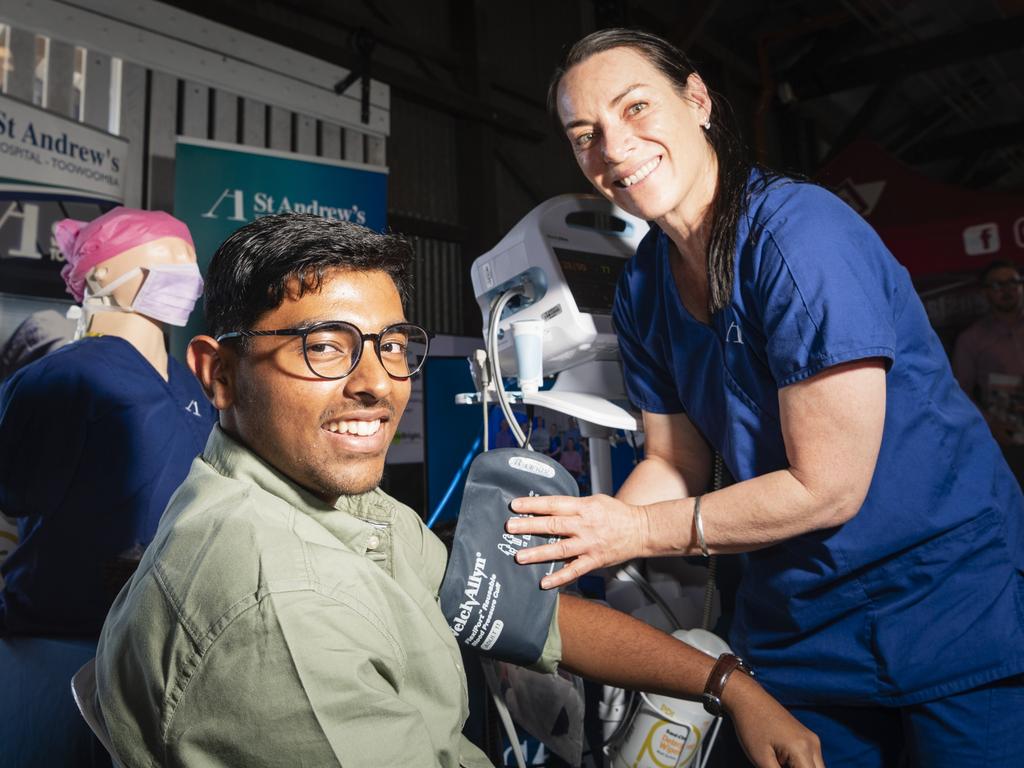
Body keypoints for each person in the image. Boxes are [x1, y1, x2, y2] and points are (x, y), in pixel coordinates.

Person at [94, 213, 822, 768]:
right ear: (219, 374)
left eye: (391, 347)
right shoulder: (283, 608)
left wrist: (728, 682)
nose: (376, 385)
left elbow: (520, 614)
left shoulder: (324, 496)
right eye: (323, 347)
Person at [506, 28, 1024, 768]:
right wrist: (584, 539)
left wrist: (640, 533)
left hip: (943, 599)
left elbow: (828, 487)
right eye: (584, 135)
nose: (614, 149)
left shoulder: (799, 238)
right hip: (799, 622)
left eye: (637, 109)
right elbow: (674, 461)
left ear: (699, 101)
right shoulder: (645, 285)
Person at [0, 207, 217, 767]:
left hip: (160, 647)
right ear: (99, 276)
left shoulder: (188, 383)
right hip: (63, 644)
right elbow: (15, 490)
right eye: (164, 260)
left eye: (188, 261)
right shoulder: (62, 377)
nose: (184, 274)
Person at [953, 260, 1024, 481]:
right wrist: (991, 424)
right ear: (984, 293)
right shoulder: (971, 340)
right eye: (997, 285)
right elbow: (960, 392)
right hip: (1009, 436)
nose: (1006, 290)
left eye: (1013, 282)